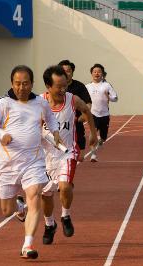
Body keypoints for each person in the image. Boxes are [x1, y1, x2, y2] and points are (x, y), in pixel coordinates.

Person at [0, 65, 61, 259]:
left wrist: (55, 132)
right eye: (18, 83)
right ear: (12, 83)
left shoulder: (40, 103)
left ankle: (27, 245)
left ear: (32, 84)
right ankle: (19, 208)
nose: (21, 88)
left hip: (33, 161)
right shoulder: (4, 103)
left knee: (35, 194)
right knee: (6, 210)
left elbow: (51, 120)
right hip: (8, 163)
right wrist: (2, 134)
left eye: (25, 83)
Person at [40, 65, 97, 245]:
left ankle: (65, 216)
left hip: (68, 152)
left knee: (65, 186)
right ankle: (50, 225)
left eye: (65, 85)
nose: (63, 89)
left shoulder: (72, 100)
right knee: (46, 194)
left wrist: (93, 134)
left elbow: (87, 111)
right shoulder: (39, 103)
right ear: (48, 86)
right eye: (59, 86)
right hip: (44, 157)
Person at [58, 60, 92, 162]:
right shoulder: (54, 86)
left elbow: (88, 103)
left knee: (79, 157)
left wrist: (83, 116)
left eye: (68, 71)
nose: (65, 73)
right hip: (58, 123)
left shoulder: (79, 86)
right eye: (62, 71)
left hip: (76, 122)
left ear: (72, 72)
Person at [86, 63, 118, 162]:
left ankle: (99, 143)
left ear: (102, 74)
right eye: (94, 72)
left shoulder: (107, 85)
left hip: (104, 114)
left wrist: (108, 96)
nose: (97, 73)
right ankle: (93, 155)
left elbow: (115, 98)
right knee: (93, 134)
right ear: (91, 73)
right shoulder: (87, 86)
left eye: (99, 72)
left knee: (103, 138)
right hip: (92, 114)